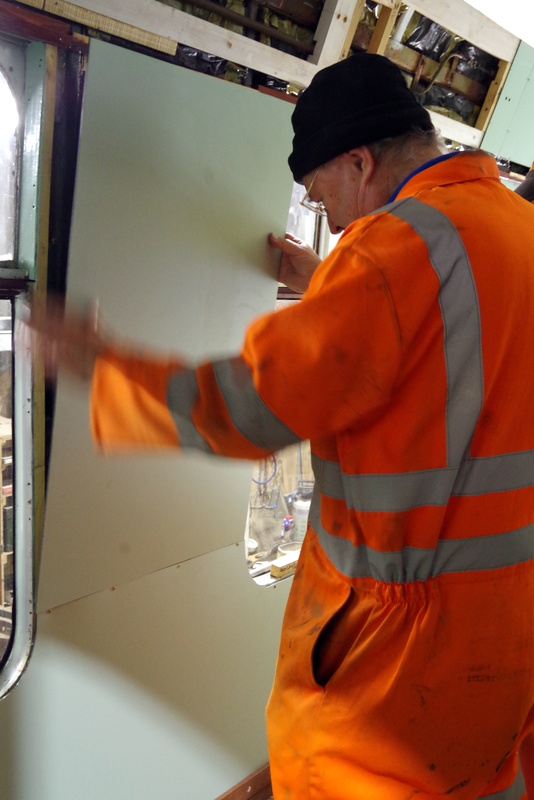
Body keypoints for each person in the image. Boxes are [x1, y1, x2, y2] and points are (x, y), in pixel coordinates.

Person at [28, 53, 534, 800]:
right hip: (504, 638)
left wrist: (100, 367)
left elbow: (249, 408)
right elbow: (457, 340)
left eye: (319, 192)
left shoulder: (391, 255)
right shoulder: (512, 224)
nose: (327, 218)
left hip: (394, 673)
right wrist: (324, 282)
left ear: (359, 161)